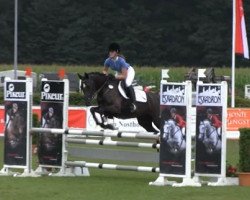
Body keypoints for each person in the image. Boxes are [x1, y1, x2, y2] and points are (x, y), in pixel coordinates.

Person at [102, 42, 137, 113]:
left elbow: (124, 76)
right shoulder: (107, 61)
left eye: (112, 52)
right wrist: (105, 75)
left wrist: (114, 76)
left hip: (128, 71)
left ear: (116, 52)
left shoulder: (121, 61)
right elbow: (104, 71)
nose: (110, 53)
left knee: (127, 83)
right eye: (110, 51)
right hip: (119, 72)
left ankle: (133, 103)